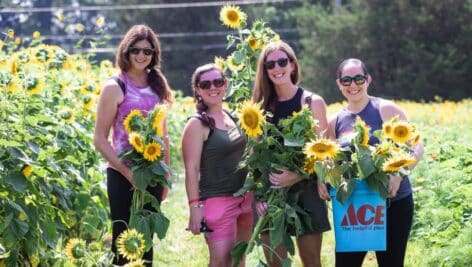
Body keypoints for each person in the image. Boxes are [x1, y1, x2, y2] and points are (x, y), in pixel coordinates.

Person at [320, 58, 424, 267]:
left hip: (393, 204)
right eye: (346, 80)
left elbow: (416, 146)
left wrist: (399, 173)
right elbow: (328, 160)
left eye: (358, 78)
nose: (353, 85)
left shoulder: (385, 109)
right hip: (354, 207)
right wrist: (322, 178)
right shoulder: (336, 121)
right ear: (339, 84)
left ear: (368, 79)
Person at [93, 24, 173, 266]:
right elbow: (99, 138)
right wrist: (128, 173)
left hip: (152, 173)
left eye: (147, 52)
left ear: (153, 55)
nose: (141, 56)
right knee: (124, 239)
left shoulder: (157, 85)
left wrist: (165, 175)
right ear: (125, 52)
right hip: (120, 172)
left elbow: (164, 136)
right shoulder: (115, 87)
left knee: (146, 239)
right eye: (135, 50)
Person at [252, 40, 330, 267]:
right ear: (265, 71)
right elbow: (254, 156)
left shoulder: (311, 102)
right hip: (271, 192)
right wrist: (258, 196)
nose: (277, 68)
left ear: (293, 65)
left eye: (282, 62)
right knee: (275, 263)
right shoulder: (260, 106)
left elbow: (323, 153)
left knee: (311, 262)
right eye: (270, 65)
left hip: (306, 191)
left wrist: (298, 175)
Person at [182, 63, 253, 267]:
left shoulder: (232, 117)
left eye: (218, 82)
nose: (213, 87)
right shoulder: (197, 124)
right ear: (197, 90)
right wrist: (194, 207)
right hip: (217, 201)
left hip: (244, 199)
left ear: (225, 84)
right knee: (221, 261)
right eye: (206, 84)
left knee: (239, 258)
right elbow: (191, 169)